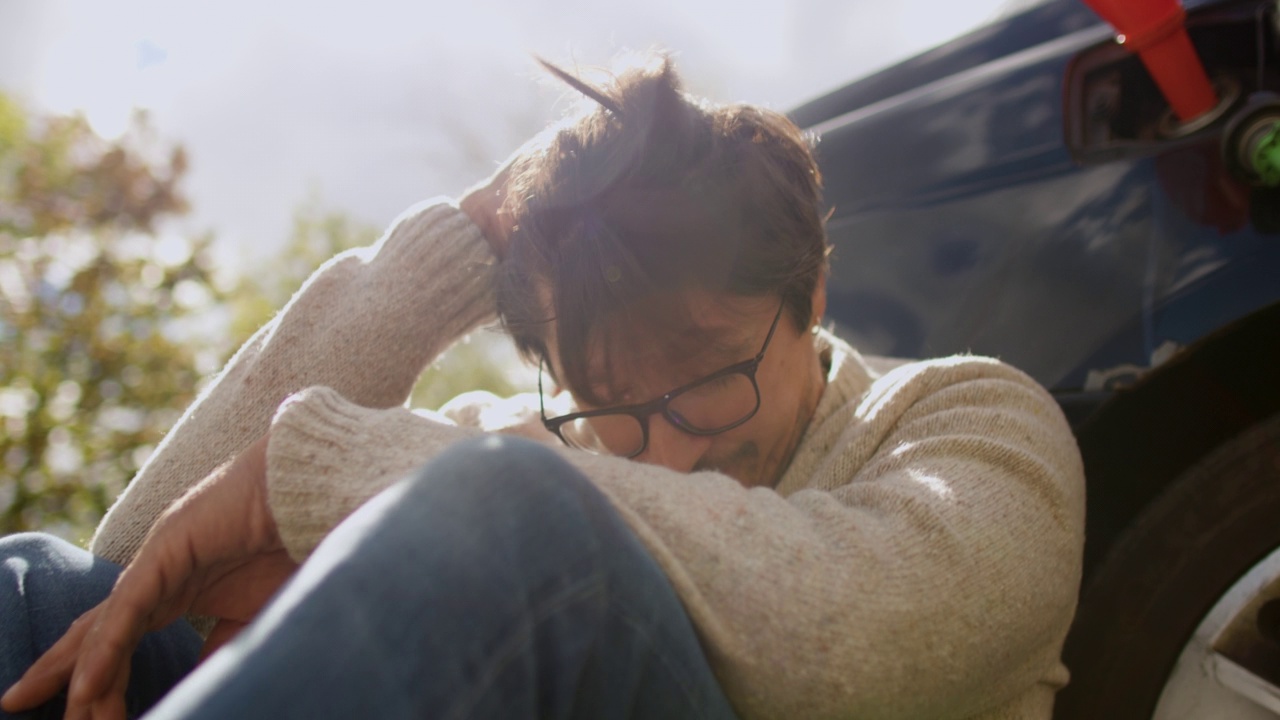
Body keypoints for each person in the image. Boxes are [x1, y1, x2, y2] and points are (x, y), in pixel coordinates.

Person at [0, 55, 1085, 719]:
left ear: (806, 287)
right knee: (38, 593)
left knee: (509, 511)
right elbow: (134, 569)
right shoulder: (537, 441)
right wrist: (458, 255)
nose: (658, 448)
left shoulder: (972, 430)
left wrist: (340, 471)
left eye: (706, 379)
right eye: (605, 403)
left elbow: (844, 644)